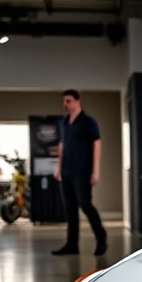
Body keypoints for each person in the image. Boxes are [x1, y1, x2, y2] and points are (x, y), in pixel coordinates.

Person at [52, 89, 107, 256]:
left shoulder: (88, 121)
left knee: (85, 204)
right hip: (67, 171)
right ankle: (72, 244)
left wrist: (95, 171)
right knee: (70, 209)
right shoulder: (64, 122)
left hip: (83, 171)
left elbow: (97, 144)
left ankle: (101, 238)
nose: (65, 104)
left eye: (68, 101)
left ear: (77, 102)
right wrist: (58, 168)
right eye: (64, 101)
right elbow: (62, 145)